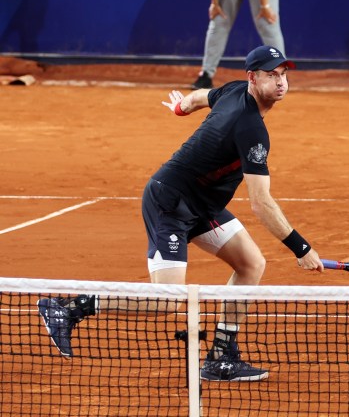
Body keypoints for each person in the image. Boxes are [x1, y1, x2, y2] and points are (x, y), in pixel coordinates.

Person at [38, 45, 324, 382]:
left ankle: (221, 357)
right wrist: (301, 249)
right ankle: (70, 308)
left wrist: (179, 108)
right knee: (167, 301)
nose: (281, 82)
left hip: (203, 204)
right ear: (252, 77)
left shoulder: (233, 89)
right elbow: (261, 203)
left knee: (251, 265)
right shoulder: (250, 130)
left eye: (284, 74)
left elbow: (201, 96)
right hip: (170, 202)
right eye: (272, 75)